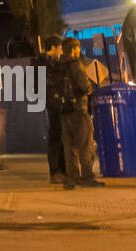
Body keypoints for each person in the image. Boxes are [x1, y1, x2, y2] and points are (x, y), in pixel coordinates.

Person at [57, 37, 104, 189]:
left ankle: (72, 178)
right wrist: (88, 89)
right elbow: (84, 86)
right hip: (79, 108)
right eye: (77, 48)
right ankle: (87, 177)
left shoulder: (57, 66)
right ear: (73, 49)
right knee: (85, 144)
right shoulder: (75, 64)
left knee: (69, 146)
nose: (79, 50)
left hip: (64, 111)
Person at [41, 36, 67, 183]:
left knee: (61, 137)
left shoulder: (51, 63)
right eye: (60, 48)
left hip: (55, 103)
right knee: (56, 138)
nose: (61, 51)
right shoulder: (44, 63)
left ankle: (62, 170)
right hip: (52, 104)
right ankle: (56, 171)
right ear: (53, 47)